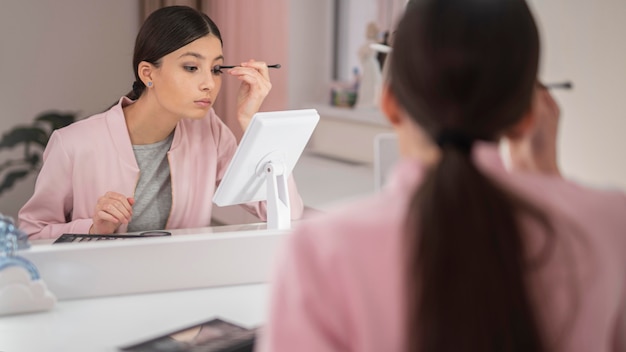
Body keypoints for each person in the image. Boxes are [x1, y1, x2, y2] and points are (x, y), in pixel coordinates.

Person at [257, 1, 626, 352]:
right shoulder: (611, 224)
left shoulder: (321, 252)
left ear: (389, 102)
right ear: (529, 113)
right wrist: (548, 182)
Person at [18, 6, 304, 239]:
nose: (209, 84)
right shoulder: (73, 144)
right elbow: (31, 234)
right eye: (191, 67)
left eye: (216, 69)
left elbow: (285, 212)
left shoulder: (210, 131)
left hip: (178, 284)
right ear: (147, 73)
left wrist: (252, 121)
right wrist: (92, 228)